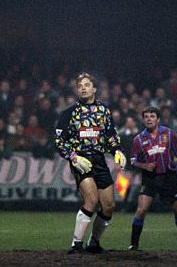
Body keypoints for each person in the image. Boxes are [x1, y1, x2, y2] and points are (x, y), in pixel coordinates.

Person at [55, 72, 126, 254]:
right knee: (91, 200)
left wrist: (117, 150)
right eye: (80, 86)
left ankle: (94, 242)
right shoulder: (69, 113)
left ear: (94, 89)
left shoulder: (104, 111)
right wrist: (74, 157)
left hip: (99, 161)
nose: (83, 88)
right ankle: (76, 244)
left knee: (109, 206)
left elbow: (110, 136)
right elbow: (59, 140)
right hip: (81, 161)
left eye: (87, 85)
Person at [128, 106, 177, 251]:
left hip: (169, 177)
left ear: (158, 119)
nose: (149, 119)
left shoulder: (170, 134)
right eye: (146, 116)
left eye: (152, 116)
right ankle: (133, 245)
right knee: (141, 210)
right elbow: (132, 160)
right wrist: (144, 166)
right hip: (150, 178)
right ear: (143, 120)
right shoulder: (138, 139)